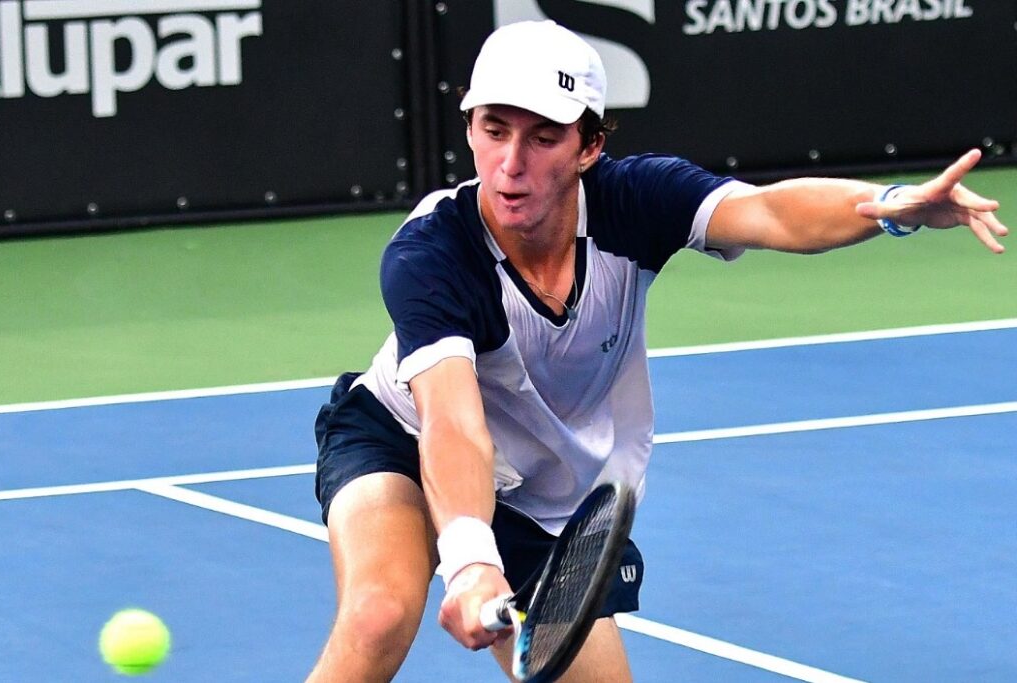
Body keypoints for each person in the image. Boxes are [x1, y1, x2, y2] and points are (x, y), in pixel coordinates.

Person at [306, 19, 1007, 682]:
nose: (510, 164)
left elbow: (769, 211)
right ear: (470, 129)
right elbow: (453, 422)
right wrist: (468, 561)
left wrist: (893, 206)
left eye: (543, 138)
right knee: (379, 613)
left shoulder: (635, 202)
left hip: (544, 492)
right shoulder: (433, 251)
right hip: (401, 438)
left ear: (588, 147)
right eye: (494, 130)